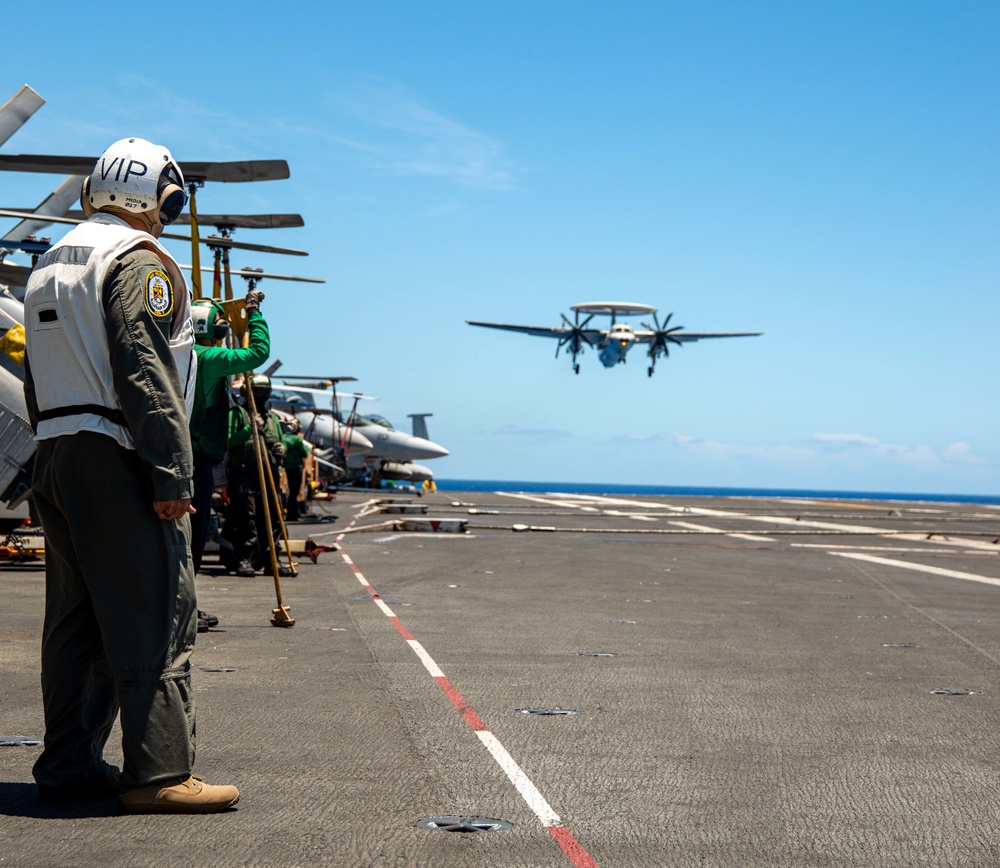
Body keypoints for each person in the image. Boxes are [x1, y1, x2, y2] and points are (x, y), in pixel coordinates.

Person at [22, 137, 239, 813]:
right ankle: (159, 774)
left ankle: (67, 766)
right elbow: (144, 369)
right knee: (154, 611)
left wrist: (47, 457)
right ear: (155, 194)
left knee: (76, 623)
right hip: (116, 453)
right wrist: (172, 474)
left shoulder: (51, 262)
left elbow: (35, 374)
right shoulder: (137, 260)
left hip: (55, 451)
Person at [189, 293, 270, 576]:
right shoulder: (212, 357)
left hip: (174, 449)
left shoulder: (176, 353)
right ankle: (186, 608)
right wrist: (254, 314)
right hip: (198, 455)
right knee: (194, 534)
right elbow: (258, 353)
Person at [225, 374, 285, 576]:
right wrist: (251, 428)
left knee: (273, 517)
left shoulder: (273, 419)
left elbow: (280, 440)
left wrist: (280, 448)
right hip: (244, 474)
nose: (262, 396)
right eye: (258, 392)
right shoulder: (238, 414)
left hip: (269, 475)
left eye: (265, 392)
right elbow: (229, 441)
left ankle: (272, 560)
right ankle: (244, 558)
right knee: (246, 517)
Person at [280, 417, 310, 522]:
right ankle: (292, 514)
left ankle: (291, 512)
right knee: (294, 492)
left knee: (290, 490)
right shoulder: (297, 440)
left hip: (287, 467)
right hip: (296, 468)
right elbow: (304, 453)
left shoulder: (283, 438)